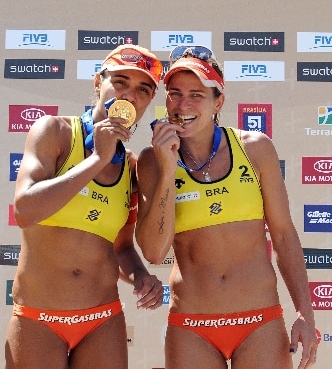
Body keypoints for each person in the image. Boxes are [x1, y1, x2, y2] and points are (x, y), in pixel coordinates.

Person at [135, 45, 318, 369]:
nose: (183, 105)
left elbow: (284, 235)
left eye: (197, 95)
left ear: (218, 101)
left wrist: (304, 314)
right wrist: (166, 170)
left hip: (259, 321)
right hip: (192, 326)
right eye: (175, 94)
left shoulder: (256, 148)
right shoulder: (152, 160)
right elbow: (152, 251)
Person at [5, 44, 164, 369]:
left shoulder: (131, 166)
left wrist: (140, 276)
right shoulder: (55, 132)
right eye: (120, 82)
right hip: (39, 317)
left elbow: (119, 247)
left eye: (142, 90)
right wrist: (96, 160)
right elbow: (25, 210)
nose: (129, 95)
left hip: (101, 320)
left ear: (148, 102)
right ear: (98, 82)